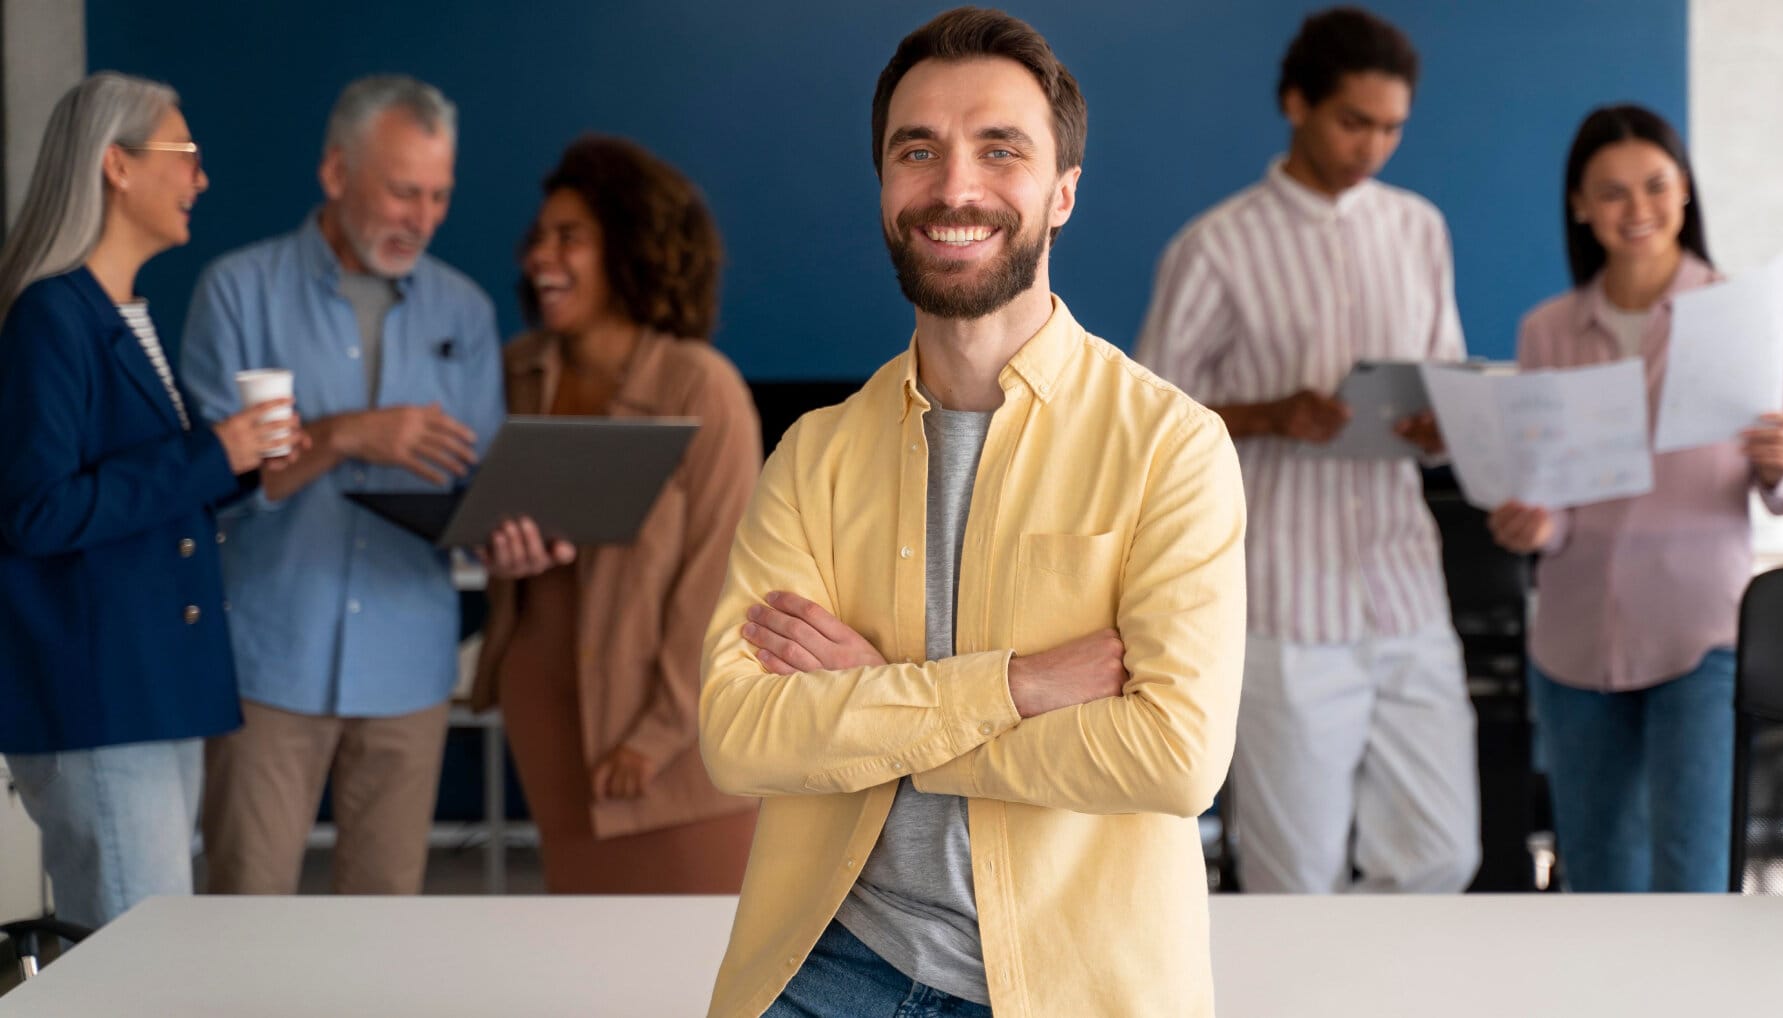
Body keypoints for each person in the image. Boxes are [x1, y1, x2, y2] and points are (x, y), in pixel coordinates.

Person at [697, 8, 1247, 1017]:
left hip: (1075, 987)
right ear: (882, 189)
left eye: (1000, 150)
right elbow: (739, 734)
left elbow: (1173, 758)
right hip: (825, 969)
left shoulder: (1171, 446)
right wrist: (1022, 683)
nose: (954, 188)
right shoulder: (814, 455)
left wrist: (883, 700)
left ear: (1062, 194)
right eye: (918, 151)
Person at [1134, 5, 1479, 894]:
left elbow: (1442, 373)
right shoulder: (1215, 246)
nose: (1373, 146)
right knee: (1297, 884)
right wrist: (1268, 413)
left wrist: (1448, 423)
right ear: (1297, 103)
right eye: (1353, 121)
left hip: (1407, 588)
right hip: (1283, 605)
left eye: (1393, 128)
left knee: (1442, 855)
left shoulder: (1421, 229)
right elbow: (1150, 423)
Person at [179, 75, 505, 896]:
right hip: (269, 662)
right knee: (243, 917)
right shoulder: (236, 292)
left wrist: (513, 529)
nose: (422, 218)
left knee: (383, 932)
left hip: (409, 668)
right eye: (403, 191)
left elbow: (478, 481)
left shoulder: (463, 311)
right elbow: (211, 483)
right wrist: (353, 434)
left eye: (438, 195)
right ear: (335, 174)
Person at [0, 72, 303, 928]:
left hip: (154, 690)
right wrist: (217, 450)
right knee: (140, 965)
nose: (201, 179)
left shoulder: (121, 312)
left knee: (154, 952)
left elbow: (145, 489)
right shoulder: (50, 319)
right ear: (117, 167)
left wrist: (244, 465)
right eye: (187, 155)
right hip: (102, 696)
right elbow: (36, 511)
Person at [1488, 104, 1783, 893]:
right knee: (1597, 880)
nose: (1638, 210)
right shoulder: (1547, 330)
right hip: (1574, 639)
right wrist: (1532, 522)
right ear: (1579, 206)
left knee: (1692, 877)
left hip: (1700, 636)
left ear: (1686, 191)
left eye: (1656, 186)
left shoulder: (1744, 313)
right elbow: (1551, 492)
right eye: (1613, 192)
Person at [470, 135, 760, 893]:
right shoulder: (513, 374)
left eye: (571, 238)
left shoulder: (702, 388)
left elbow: (722, 584)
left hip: (674, 736)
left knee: (701, 973)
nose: (541, 257)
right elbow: (486, 525)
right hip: (548, 711)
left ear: (631, 249)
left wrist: (657, 734)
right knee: (583, 956)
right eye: (539, 237)